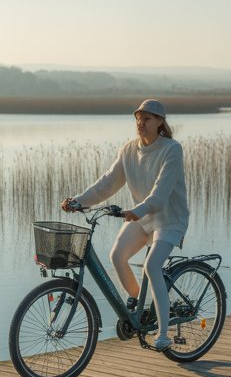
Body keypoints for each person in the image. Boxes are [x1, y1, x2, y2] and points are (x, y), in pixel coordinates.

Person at [62, 99, 189, 352]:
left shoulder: (172, 149)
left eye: (147, 119)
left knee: (152, 266)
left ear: (160, 122)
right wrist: (78, 201)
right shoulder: (129, 149)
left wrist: (136, 211)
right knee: (117, 256)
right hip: (142, 217)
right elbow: (107, 184)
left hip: (168, 219)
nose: (140, 123)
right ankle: (140, 308)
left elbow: (160, 195)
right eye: (138, 119)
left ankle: (163, 334)